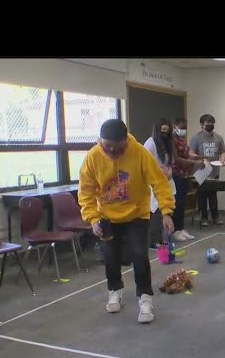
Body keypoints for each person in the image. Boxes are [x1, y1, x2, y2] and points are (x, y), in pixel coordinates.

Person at [78, 119, 175, 323]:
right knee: (110, 256)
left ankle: (145, 298)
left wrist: (166, 212)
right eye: (108, 146)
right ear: (100, 141)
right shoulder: (93, 157)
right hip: (106, 215)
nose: (112, 151)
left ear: (125, 141)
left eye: (118, 147)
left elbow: (159, 182)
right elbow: (86, 192)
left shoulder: (139, 153)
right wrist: (93, 219)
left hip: (137, 214)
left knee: (139, 254)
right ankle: (115, 291)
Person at [144, 118, 177, 248]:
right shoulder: (150, 143)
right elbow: (148, 163)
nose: (165, 133)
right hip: (154, 181)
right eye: (163, 130)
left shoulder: (167, 143)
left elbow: (170, 162)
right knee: (156, 211)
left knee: (166, 210)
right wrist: (162, 171)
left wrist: (169, 171)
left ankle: (161, 237)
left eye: (167, 131)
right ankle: (153, 240)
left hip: (166, 181)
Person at [190, 114, 225, 227]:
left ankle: (215, 216)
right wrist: (201, 158)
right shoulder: (196, 138)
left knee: (213, 195)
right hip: (201, 171)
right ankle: (204, 217)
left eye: (212, 123)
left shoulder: (218, 137)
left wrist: (222, 160)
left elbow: (222, 151)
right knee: (202, 195)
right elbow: (191, 153)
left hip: (214, 171)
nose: (210, 125)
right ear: (202, 125)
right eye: (208, 123)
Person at [171, 116, 203, 241]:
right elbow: (176, 159)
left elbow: (187, 154)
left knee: (182, 203)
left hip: (184, 174)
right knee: (177, 203)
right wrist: (195, 163)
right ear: (175, 127)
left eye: (185, 128)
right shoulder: (171, 139)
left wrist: (200, 158)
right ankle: (175, 230)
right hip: (175, 174)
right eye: (182, 127)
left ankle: (181, 228)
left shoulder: (182, 139)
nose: (184, 130)